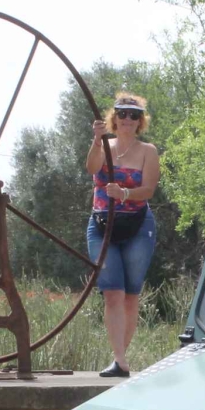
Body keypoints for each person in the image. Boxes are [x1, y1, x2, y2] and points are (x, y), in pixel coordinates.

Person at [85, 93, 161, 377]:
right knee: (112, 292)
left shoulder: (148, 151)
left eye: (134, 115)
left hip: (138, 226)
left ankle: (120, 358)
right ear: (114, 118)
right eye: (122, 113)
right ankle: (119, 358)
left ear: (140, 121)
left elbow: (148, 190)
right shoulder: (103, 146)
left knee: (130, 294)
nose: (128, 119)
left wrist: (125, 193)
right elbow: (92, 168)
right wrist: (96, 140)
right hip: (102, 224)